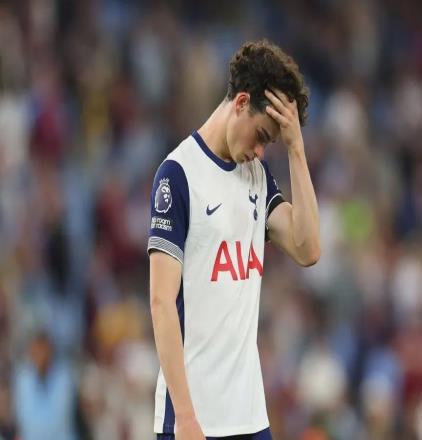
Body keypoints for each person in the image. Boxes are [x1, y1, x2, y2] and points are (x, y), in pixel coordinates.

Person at [148, 40, 320, 440]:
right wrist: (185, 418)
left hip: (249, 416)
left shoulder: (256, 177)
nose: (260, 151)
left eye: (269, 143)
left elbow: (308, 248)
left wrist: (296, 149)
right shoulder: (178, 175)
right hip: (194, 419)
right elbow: (161, 303)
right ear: (241, 102)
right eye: (261, 135)